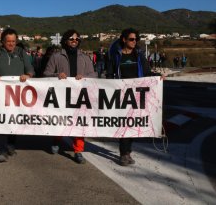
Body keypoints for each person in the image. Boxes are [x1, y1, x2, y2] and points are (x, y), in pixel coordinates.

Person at [106, 28, 161, 166]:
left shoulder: (139, 55)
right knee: (124, 124)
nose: (134, 41)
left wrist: (158, 78)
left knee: (133, 124)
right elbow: (109, 74)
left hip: (137, 95)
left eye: (136, 39)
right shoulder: (116, 55)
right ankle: (124, 154)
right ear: (124, 40)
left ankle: (128, 151)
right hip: (121, 96)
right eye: (131, 39)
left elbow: (147, 73)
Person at [43, 29, 97, 164]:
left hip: (79, 96)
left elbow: (94, 75)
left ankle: (78, 150)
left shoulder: (85, 58)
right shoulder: (56, 57)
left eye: (77, 39)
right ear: (65, 40)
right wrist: (57, 75)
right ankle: (56, 140)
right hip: (61, 96)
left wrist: (84, 77)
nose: (74, 41)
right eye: (72, 39)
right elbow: (46, 74)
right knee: (60, 120)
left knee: (79, 123)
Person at [0, 28, 34, 163]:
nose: (11, 44)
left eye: (13, 41)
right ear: (2, 41)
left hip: (17, 95)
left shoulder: (21, 53)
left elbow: (30, 69)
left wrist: (28, 75)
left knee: (14, 120)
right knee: (2, 120)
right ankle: (1, 151)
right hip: (0, 94)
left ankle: (11, 144)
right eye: (8, 41)